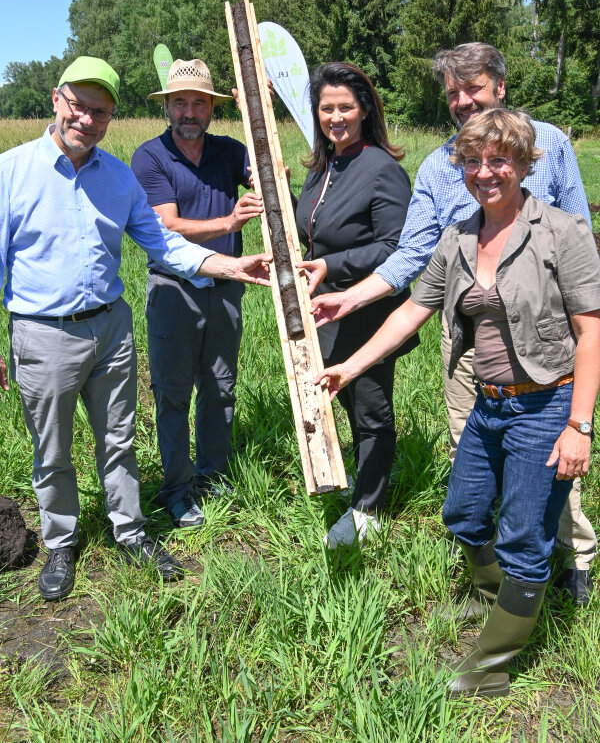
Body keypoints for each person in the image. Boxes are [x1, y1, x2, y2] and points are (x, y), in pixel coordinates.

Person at [315, 108, 600, 697]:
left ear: (523, 165)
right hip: (489, 405)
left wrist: (580, 425)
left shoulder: (563, 233)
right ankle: (493, 599)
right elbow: (412, 310)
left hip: (546, 404)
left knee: (525, 535)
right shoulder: (458, 237)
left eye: (499, 160)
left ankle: (493, 664)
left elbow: (592, 331)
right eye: (473, 161)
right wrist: (351, 365)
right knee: (465, 514)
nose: (485, 172)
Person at [0, 56, 270, 601]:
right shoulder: (10, 172)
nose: (87, 120)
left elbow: (163, 242)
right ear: (57, 99)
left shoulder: (118, 177)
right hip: (42, 332)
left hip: (111, 328)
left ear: (110, 118)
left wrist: (229, 265)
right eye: (78, 105)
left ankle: (130, 530)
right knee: (51, 448)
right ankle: (60, 542)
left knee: (119, 439)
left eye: (100, 112)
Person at [131, 58, 263, 529]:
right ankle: (177, 488)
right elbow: (166, 225)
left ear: (212, 109)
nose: (190, 111)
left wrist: (261, 114)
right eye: (181, 102)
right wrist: (230, 222)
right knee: (172, 392)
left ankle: (213, 474)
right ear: (167, 105)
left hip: (227, 287)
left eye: (200, 103)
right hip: (173, 290)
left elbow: (268, 176)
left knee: (221, 386)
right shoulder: (149, 157)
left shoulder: (230, 151)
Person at [294, 62, 418, 548]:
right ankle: (360, 478)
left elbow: (396, 247)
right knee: (343, 398)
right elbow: (312, 230)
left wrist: (333, 266)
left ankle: (369, 511)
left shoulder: (382, 169)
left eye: (346, 106)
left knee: (370, 409)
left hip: (368, 311)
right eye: (327, 108)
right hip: (324, 312)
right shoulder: (323, 166)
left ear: (364, 109)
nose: (336, 116)